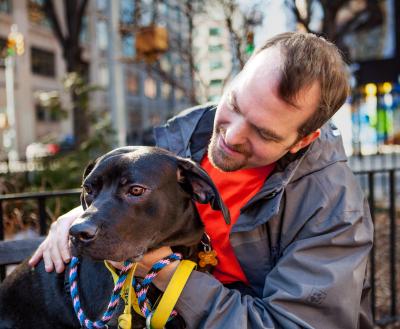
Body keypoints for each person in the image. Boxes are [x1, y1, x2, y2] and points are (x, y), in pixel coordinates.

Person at [29, 32, 373, 328]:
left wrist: (170, 276)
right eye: (235, 104)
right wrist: (83, 213)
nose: (231, 136)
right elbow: (125, 192)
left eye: (263, 133)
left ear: (303, 140)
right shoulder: (184, 139)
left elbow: (289, 323)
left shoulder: (333, 209)